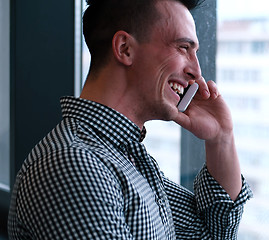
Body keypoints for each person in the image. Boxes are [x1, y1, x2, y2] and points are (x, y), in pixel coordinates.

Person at [8, 0, 252, 239]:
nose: (196, 71)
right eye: (183, 48)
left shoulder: (127, 160)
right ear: (125, 48)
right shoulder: (72, 165)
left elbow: (210, 233)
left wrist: (221, 137)